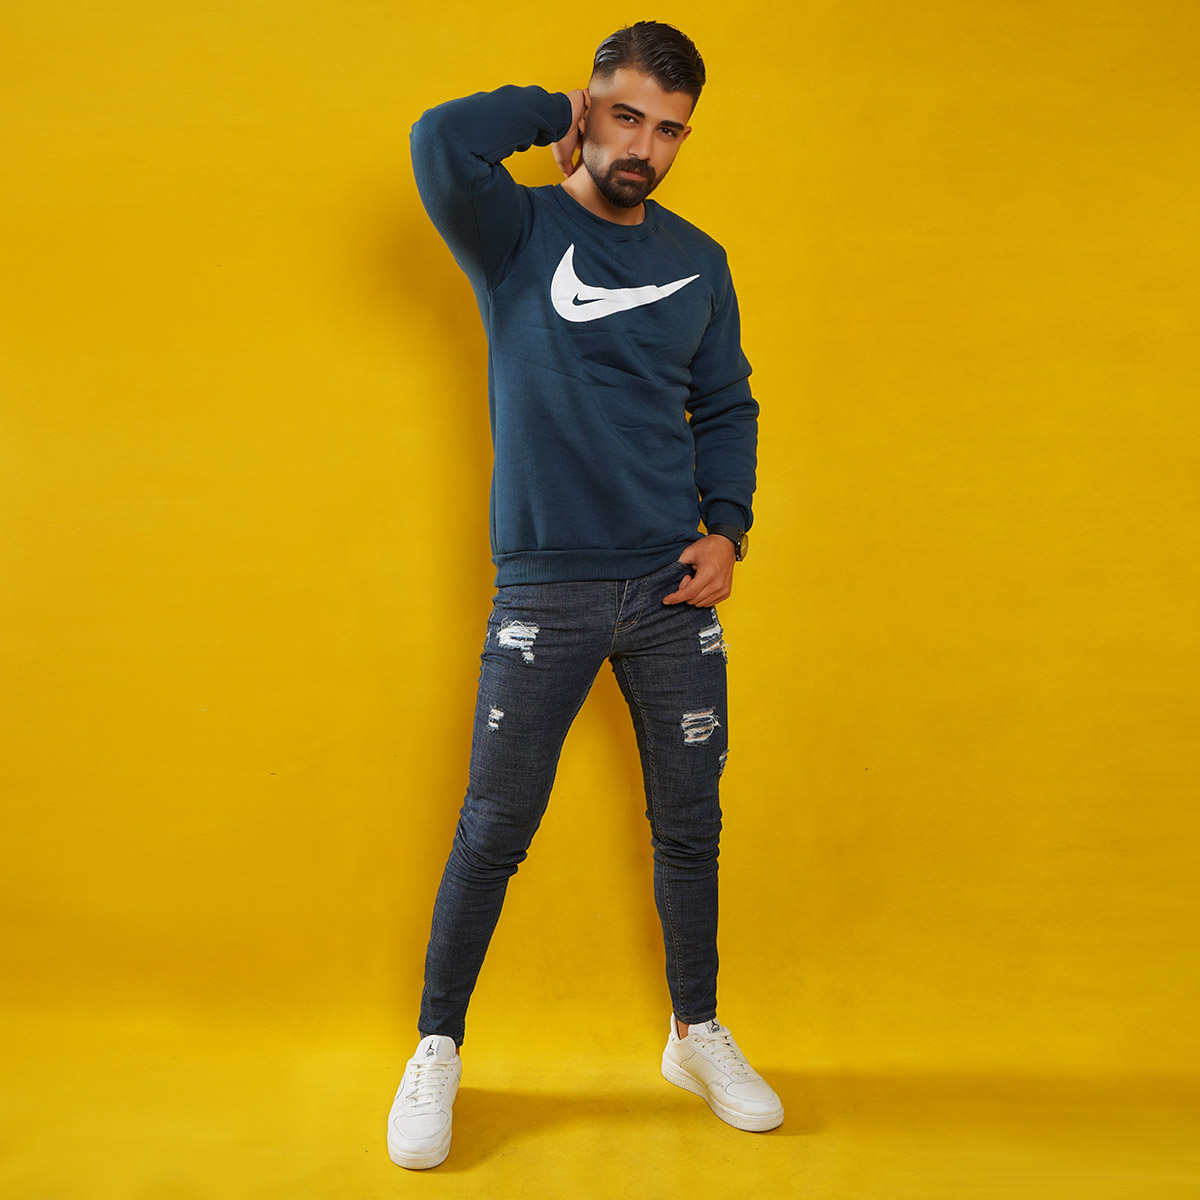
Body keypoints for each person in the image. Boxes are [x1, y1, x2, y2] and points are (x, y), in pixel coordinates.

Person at [387, 21, 783, 1170]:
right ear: (589, 107)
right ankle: (436, 1047)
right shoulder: (514, 232)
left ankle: (695, 1032)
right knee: (494, 828)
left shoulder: (700, 259)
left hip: (671, 591)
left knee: (691, 827)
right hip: (546, 587)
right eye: (626, 116)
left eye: (670, 131)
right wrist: (552, 111)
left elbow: (729, 405)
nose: (645, 147)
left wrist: (728, 530)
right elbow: (439, 141)